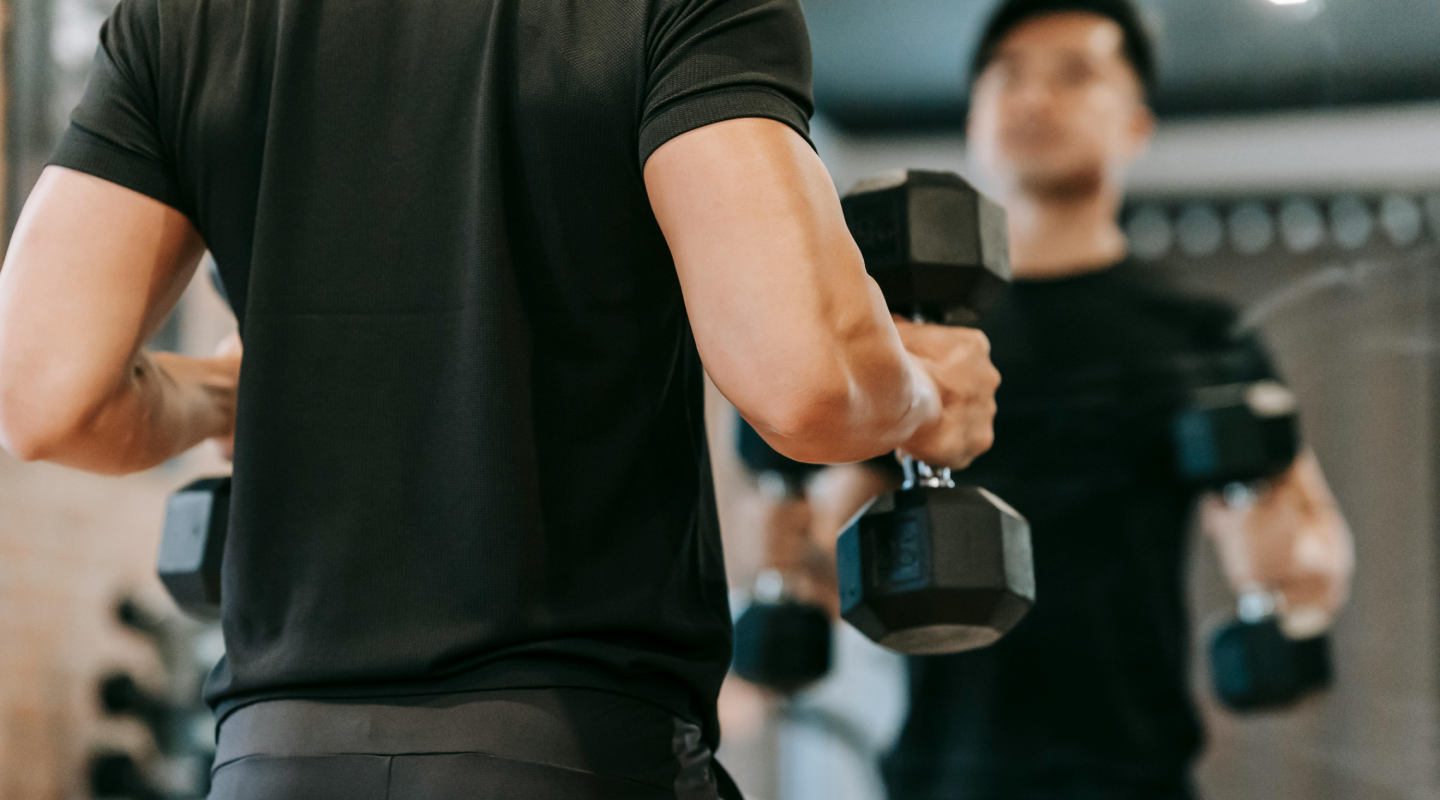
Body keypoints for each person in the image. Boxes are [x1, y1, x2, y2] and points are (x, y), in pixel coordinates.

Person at [0, 0, 1004, 797]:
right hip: (571, 747)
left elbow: (43, 398)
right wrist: (925, 398)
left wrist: (219, 398)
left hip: (270, 758)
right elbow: (808, 381)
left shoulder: (180, 18)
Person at [738, 1, 1354, 797]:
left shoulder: (1201, 333)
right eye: (1007, 77)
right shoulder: (904, 336)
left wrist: (1292, 571)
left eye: (1074, 74)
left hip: (1133, 776)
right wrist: (778, 549)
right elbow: (825, 551)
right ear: (974, 119)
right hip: (942, 776)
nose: (1032, 99)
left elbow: (1310, 541)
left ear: (1135, 125)